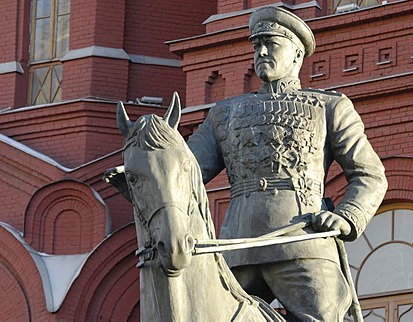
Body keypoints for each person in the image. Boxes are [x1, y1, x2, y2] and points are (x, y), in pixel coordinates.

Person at [105, 6, 387, 321]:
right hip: (237, 248)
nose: (262, 51)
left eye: (271, 43)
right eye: (257, 45)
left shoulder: (328, 107)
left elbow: (370, 175)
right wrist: (141, 175)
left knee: (323, 315)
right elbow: (186, 170)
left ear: (296, 54)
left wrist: (347, 217)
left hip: (302, 244)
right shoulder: (225, 113)